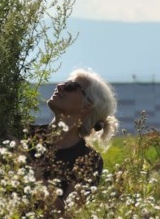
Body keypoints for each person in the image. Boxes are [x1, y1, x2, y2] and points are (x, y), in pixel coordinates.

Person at [28, 68, 119, 211]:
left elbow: (65, 215)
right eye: (64, 83)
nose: (59, 86)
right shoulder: (24, 134)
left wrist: (25, 162)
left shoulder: (89, 160)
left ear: (87, 106)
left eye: (70, 86)